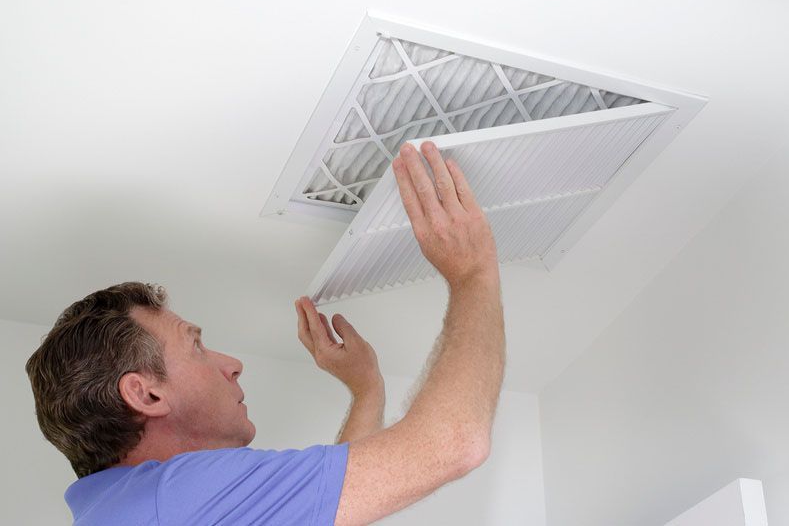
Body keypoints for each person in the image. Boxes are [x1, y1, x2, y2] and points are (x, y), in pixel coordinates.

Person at [25, 141, 506, 525]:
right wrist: (473, 274)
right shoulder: (175, 497)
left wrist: (366, 390)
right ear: (146, 394)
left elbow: (332, 507)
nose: (231, 363)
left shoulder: (136, 507)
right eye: (196, 345)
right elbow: (454, 443)